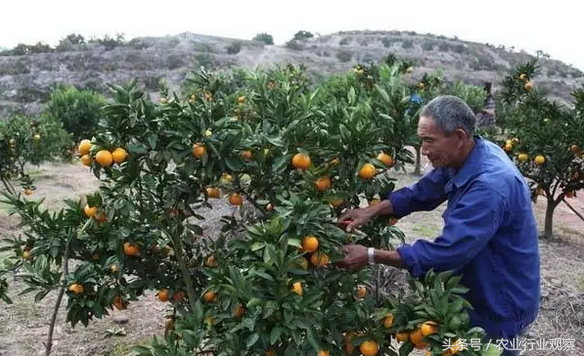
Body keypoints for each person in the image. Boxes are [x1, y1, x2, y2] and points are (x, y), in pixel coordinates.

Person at [336, 95, 540, 356]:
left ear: (458, 136)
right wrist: (370, 211)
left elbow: (448, 252)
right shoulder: (465, 155)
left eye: (429, 140)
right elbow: (422, 192)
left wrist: (371, 255)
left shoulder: (490, 185)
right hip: (478, 288)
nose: (423, 149)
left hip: (499, 302)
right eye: (422, 140)